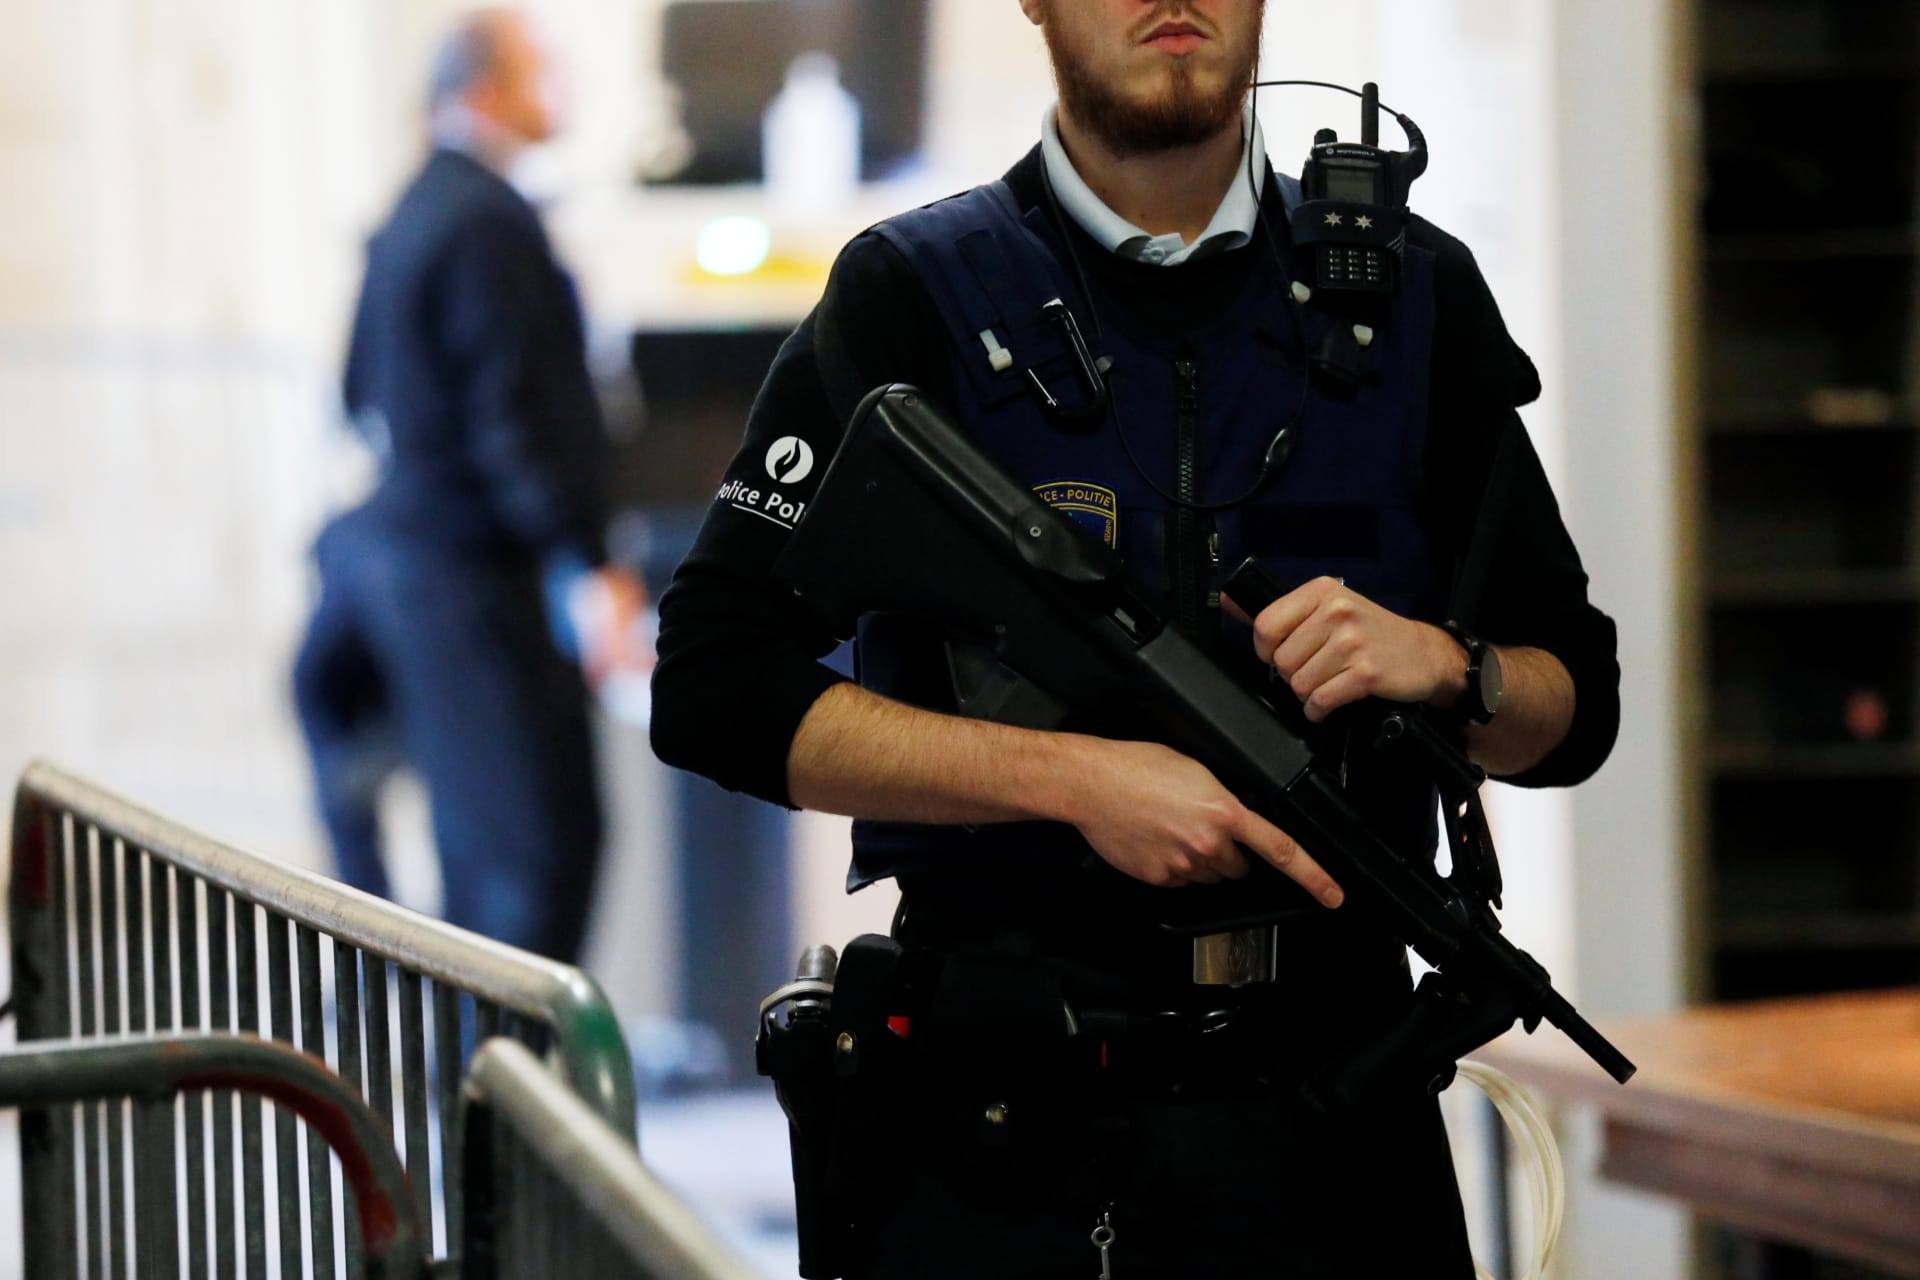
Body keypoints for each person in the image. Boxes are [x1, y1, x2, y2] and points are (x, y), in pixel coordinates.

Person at [651, 0, 1619, 1273]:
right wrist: (1073, 782)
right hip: (999, 1126)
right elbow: (714, 684)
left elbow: (1574, 706)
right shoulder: (913, 294)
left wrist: (1451, 665)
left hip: (1341, 1119)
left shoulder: (1415, 297)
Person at [293, 8, 644, 964]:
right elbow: (517, 420)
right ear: (484, 86)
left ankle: (472, 1091)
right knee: (535, 859)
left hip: (416, 577)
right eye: (542, 69)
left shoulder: (415, 208)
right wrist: (587, 562)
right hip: (473, 588)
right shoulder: (487, 221)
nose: (561, 89)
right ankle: (501, 1100)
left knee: (483, 856)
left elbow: (358, 387)